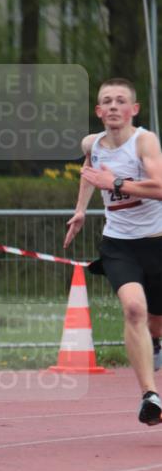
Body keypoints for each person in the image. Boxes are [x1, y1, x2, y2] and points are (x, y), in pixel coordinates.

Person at [64, 77, 162, 426]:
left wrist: (116, 183)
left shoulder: (144, 141)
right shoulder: (93, 143)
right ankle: (150, 395)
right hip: (119, 244)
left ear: (133, 109)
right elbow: (88, 173)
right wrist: (80, 210)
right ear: (98, 110)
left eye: (121, 101)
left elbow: (160, 186)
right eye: (107, 101)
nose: (114, 107)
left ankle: (156, 340)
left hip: (157, 241)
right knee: (134, 308)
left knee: (155, 320)